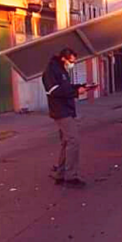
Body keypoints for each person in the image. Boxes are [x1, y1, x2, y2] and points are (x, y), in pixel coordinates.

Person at [42, 48, 94, 187]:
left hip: (66, 110)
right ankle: (70, 177)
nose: (73, 63)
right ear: (64, 58)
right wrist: (76, 92)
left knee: (66, 142)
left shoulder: (61, 70)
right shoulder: (51, 71)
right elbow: (54, 91)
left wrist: (80, 87)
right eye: (71, 61)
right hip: (61, 111)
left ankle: (60, 175)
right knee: (73, 141)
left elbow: (65, 86)